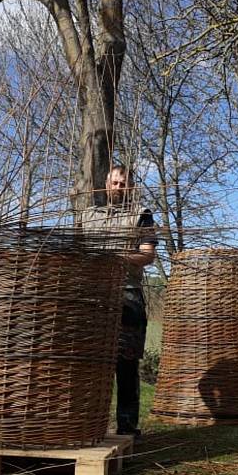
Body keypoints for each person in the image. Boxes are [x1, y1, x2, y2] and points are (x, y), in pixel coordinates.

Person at [80, 165, 157, 437]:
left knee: (126, 361)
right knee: (87, 359)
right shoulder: (88, 216)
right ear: (105, 183)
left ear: (132, 187)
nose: (118, 187)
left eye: (124, 183)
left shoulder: (142, 216)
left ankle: (126, 424)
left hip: (128, 292)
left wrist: (118, 259)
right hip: (92, 294)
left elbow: (148, 255)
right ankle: (85, 420)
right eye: (115, 182)